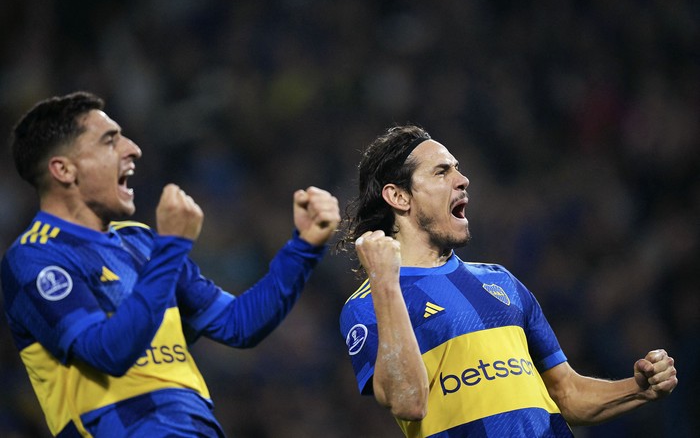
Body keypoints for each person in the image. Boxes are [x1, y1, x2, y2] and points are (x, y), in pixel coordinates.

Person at [1, 91, 340, 437]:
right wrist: (172, 246)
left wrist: (304, 246)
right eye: (109, 142)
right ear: (63, 170)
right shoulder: (35, 258)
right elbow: (107, 353)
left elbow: (239, 324)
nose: (132, 149)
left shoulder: (140, 241)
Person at [338, 125, 678, 437]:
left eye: (457, 168)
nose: (462, 179)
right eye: (442, 171)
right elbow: (408, 402)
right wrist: (385, 282)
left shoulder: (502, 282)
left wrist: (637, 389)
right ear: (399, 197)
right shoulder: (368, 303)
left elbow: (566, 393)